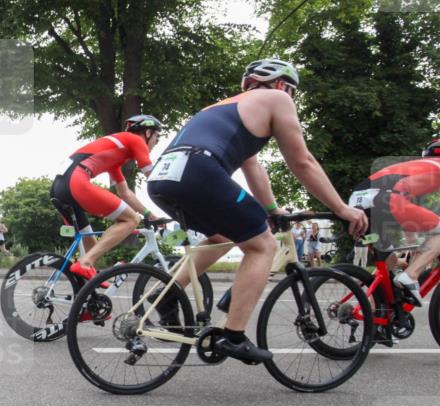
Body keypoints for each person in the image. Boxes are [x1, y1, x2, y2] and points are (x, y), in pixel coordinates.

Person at [147, 58, 367, 364]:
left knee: (222, 235)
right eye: (291, 91)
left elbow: (252, 167)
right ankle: (233, 336)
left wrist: (272, 209)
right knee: (263, 245)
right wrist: (342, 208)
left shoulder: (222, 107)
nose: (291, 98)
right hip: (199, 170)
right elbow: (302, 161)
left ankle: (168, 291)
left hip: (162, 178)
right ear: (281, 85)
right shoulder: (277, 99)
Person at [50, 114, 163, 280]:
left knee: (91, 244)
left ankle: (88, 294)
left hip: (58, 187)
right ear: (147, 132)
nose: (155, 143)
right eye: (156, 138)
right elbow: (152, 176)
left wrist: (151, 215)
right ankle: (85, 263)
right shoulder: (136, 140)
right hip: (76, 180)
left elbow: (125, 193)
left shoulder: (116, 156)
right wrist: (177, 202)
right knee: (131, 220)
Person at [348, 138, 440, 302]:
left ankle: (370, 312)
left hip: (357, 203)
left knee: (389, 260)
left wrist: (414, 239)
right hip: (387, 199)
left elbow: (408, 208)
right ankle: (411, 275)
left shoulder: (412, 166)